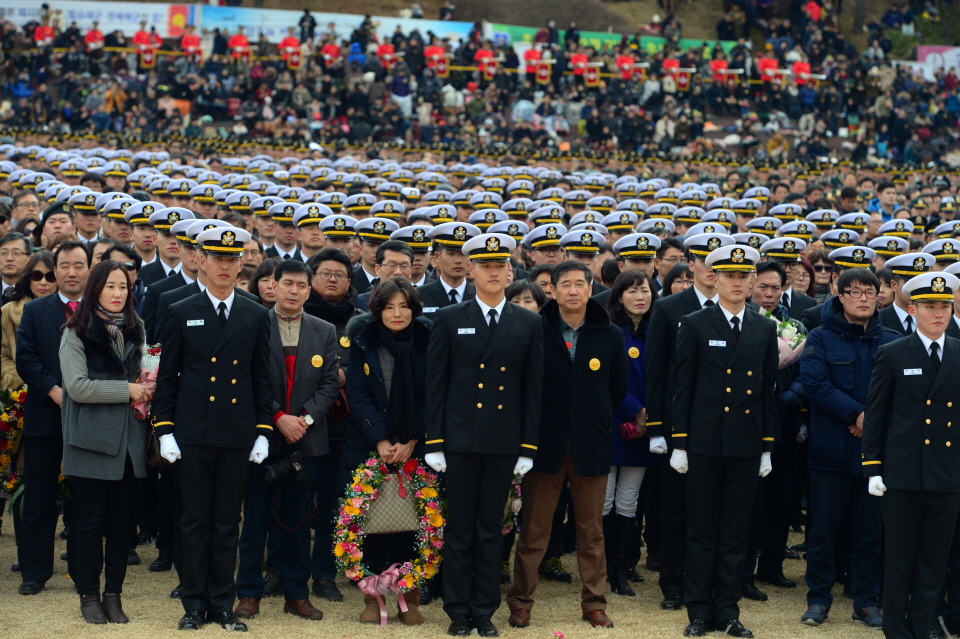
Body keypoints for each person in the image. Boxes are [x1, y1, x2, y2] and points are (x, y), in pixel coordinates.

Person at [152, 226, 274, 632]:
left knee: (226, 522)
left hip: (237, 433)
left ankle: (222, 603)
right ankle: (193, 604)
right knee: (193, 521)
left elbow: (262, 378)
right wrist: (164, 429)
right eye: (216, 257)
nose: (224, 265)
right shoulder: (180, 309)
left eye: (231, 258)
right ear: (200, 260)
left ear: (242, 263)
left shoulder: (256, 312)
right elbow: (167, 378)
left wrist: (263, 431)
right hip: (192, 432)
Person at [425, 232, 544, 638]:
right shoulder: (448, 318)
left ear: (510, 272)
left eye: (501, 266)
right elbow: (436, 384)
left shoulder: (528, 322)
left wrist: (528, 446)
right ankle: (458, 610)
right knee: (459, 529)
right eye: (486, 266)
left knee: (491, 530)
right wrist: (435, 441)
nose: (494, 273)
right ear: (472, 270)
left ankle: (484, 609)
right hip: (458, 441)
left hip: (503, 441)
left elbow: (533, 388)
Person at [507, 260, 627, 629]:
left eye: (580, 283)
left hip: (590, 444)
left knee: (591, 531)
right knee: (535, 530)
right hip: (544, 443)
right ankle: (521, 601)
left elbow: (617, 390)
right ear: (553, 290)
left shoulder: (609, 334)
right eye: (566, 284)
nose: (573, 290)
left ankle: (594, 603)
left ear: (591, 289)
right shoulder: (533, 329)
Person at [670, 244, 778, 639]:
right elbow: (683, 386)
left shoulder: (763, 327)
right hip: (702, 442)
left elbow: (767, 391)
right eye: (729, 276)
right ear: (716, 279)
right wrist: (679, 441)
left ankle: (728, 610)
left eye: (743, 276)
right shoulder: (696, 323)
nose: (737, 282)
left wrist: (767, 445)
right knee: (701, 531)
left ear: (751, 282)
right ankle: (699, 610)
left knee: (735, 532)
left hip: (745, 444)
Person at [234, 259, 339, 622]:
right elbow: (246, 378)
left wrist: (304, 419)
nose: (294, 291)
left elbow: (330, 383)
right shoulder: (254, 323)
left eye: (301, 285)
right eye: (288, 284)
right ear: (273, 286)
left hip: (306, 439)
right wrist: (278, 417)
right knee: (255, 522)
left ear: (310, 290)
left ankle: (297, 593)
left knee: (297, 523)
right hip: (262, 437)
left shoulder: (324, 330)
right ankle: (248, 593)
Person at [798, 267, 900, 628]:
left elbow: (902, 393)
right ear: (840, 297)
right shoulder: (821, 338)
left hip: (875, 453)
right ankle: (818, 599)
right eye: (854, 292)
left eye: (870, 292)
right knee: (824, 531)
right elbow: (814, 384)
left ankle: (866, 600)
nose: (863, 298)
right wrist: (857, 414)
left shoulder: (891, 339)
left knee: (869, 532)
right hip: (830, 450)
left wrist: (872, 420)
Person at [862, 271, 960, 639]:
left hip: (948, 474)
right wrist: (872, 466)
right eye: (930, 306)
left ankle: (922, 627)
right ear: (913, 309)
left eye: (944, 306)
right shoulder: (893, 352)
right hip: (903, 475)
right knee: (900, 561)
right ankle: (897, 631)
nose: (938, 313)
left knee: (933, 564)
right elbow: (877, 414)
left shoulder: (958, 351)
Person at [60, 260, 152, 624]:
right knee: (88, 523)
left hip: (129, 443)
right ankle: (88, 596)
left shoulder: (137, 328)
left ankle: (113, 594)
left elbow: (146, 371)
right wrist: (127, 389)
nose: (117, 294)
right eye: (110, 286)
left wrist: (149, 386)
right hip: (90, 442)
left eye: (124, 287)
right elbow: (78, 387)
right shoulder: (75, 331)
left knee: (121, 525)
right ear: (95, 288)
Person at [645, 231, 732, 612]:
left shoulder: (738, 309)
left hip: (723, 426)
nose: (713, 269)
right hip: (680, 425)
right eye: (705, 260)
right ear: (691, 264)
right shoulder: (668, 308)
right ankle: (674, 582)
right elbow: (657, 372)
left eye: (722, 263)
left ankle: (715, 581)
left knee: (718, 510)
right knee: (677, 508)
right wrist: (658, 428)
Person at [342, 276, 431, 625]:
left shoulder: (428, 339)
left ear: (414, 309)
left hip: (415, 446)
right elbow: (358, 394)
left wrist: (412, 440)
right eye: (389, 307)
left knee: (415, 524)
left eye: (404, 306)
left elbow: (432, 395)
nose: (397, 314)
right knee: (371, 525)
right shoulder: (363, 340)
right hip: (369, 443)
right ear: (378, 310)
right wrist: (379, 439)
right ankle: (372, 595)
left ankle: (410, 595)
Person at [15, 240, 91, 595]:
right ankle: (34, 571)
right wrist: (53, 390)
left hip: (89, 418)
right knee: (40, 497)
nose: (71, 272)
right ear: (54, 269)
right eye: (64, 265)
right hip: (46, 414)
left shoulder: (100, 310)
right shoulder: (36, 310)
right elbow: (26, 359)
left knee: (82, 497)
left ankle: (81, 569)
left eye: (79, 265)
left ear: (89, 269)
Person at [603, 269, 658, 596]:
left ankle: (623, 568)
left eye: (646, 291)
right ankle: (604, 566)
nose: (640, 297)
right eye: (633, 291)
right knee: (604, 500)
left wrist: (648, 417)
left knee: (629, 500)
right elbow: (608, 381)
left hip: (645, 428)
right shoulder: (610, 331)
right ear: (620, 295)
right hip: (612, 424)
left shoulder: (658, 331)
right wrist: (635, 410)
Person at [1, 250, 56, 391]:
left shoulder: (70, 312)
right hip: (20, 391)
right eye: (37, 276)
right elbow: (3, 356)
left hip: (61, 391)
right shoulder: (7, 312)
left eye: (50, 277)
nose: (43, 282)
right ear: (28, 278)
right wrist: (19, 380)